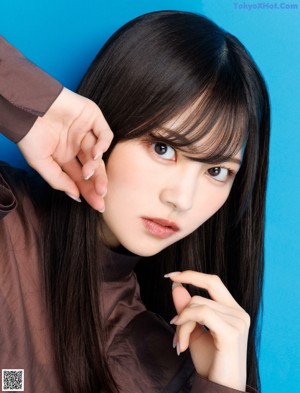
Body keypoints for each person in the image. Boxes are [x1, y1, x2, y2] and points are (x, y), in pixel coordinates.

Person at [0, 10, 270, 393]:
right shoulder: (7, 218)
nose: (181, 198)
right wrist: (37, 108)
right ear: (110, 120)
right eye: (163, 148)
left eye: (216, 171)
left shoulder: (174, 364)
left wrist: (221, 385)